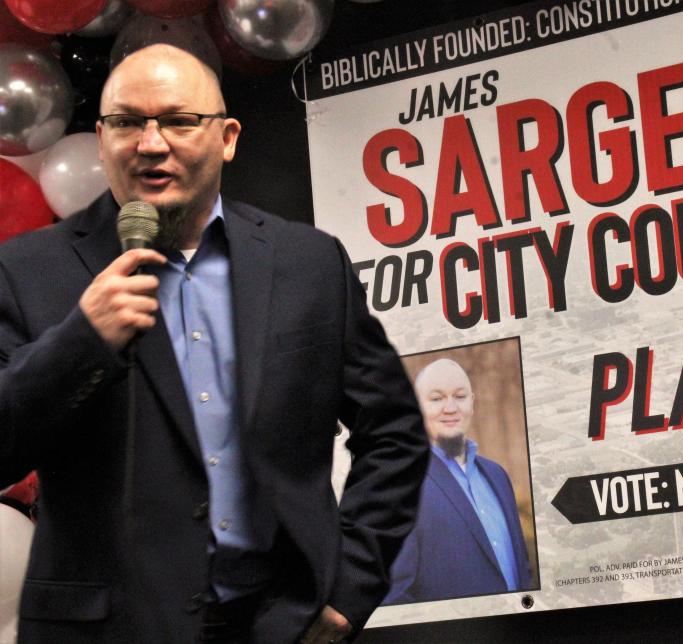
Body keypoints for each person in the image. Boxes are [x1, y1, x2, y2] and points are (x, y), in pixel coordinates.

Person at [0, 44, 428, 644]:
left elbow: (395, 432)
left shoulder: (308, 262)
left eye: (178, 120)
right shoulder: (25, 268)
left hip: (279, 626)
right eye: (126, 123)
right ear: (100, 140)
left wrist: (349, 588)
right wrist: (82, 340)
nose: (151, 143)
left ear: (227, 137)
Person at [383, 358, 533, 605]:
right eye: (436, 398)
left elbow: (522, 572)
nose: (450, 407)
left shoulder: (497, 475)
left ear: (472, 403)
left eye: (460, 396)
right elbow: (393, 598)